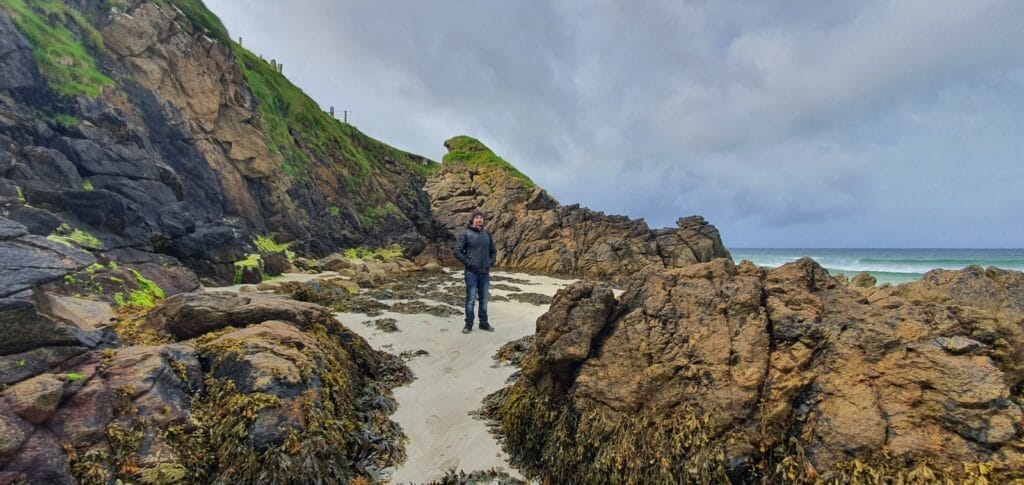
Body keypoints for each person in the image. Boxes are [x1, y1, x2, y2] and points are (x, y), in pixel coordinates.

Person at [453, 210, 496, 333]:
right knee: (470, 299)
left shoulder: (487, 234)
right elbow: (457, 252)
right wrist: (468, 263)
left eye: (481, 218)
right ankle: (468, 324)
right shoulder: (466, 234)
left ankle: (484, 323)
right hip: (471, 272)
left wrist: (491, 261)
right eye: (477, 217)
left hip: (485, 272)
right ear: (472, 220)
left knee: (484, 299)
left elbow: (493, 251)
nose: (479, 219)